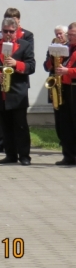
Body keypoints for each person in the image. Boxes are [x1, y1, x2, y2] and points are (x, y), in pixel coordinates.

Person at [0, 17, 36, 165]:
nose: (8, 34)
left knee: (21, 126)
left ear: (16, 31)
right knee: (5, 127)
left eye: (11, 32)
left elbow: (31, 66)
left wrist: (16, 63)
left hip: (18, 93)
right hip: (1, 92)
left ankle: (24, 156)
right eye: (5, 31)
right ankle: (10, 155)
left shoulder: (24, 45)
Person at [50, 23, 76, 165]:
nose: (69, 37)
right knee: (66, 125)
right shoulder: (68, 49)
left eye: (72, 35)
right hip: (66, 89)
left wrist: (68, 71)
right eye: (69, 34)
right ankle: (68, 156)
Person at [45, 25, 69, 161]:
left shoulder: (70, 49)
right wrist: (51, 57)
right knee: (58, 118)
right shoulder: (52, 47)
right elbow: (46, 66)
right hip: (55, 82)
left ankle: (67, 144)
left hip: (66, 84)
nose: (58, 36)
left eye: (60, 34)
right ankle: (61, 139)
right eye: (56, 34)